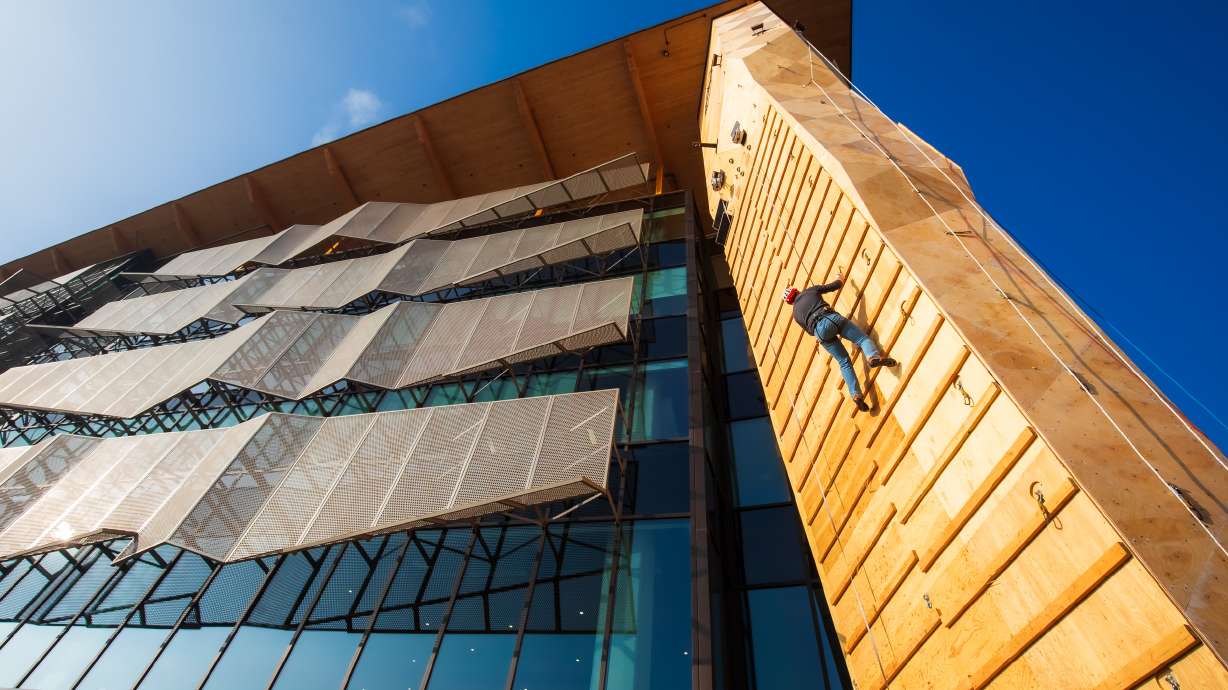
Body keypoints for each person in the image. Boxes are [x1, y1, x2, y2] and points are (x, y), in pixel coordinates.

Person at [783, 275, 896, 411]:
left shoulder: (795, 315)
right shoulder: (810, 291)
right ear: (797, 291)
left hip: (820, 333)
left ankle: (856, 396)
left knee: (844, 362)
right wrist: (840, 278)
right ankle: (873, 357)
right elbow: (835, 285)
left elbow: (810, 332)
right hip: (829, 317)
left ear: (790, 303)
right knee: (861, 339)